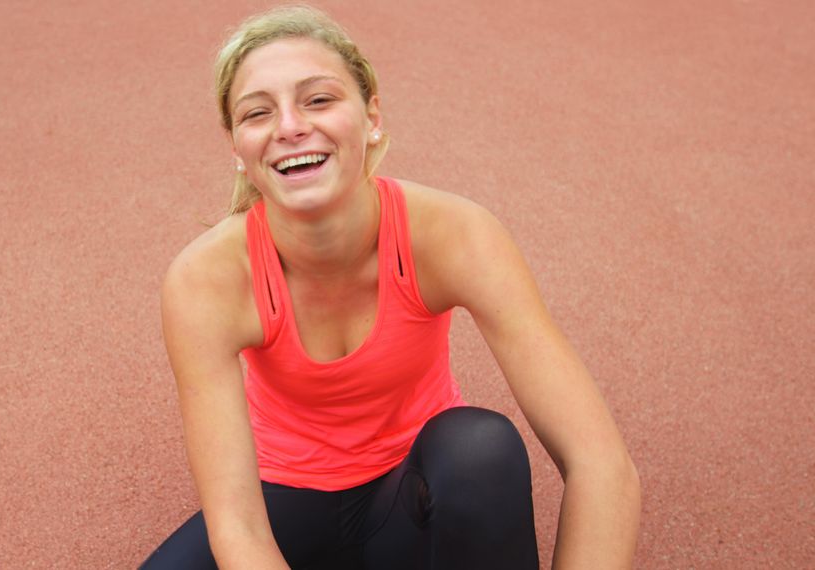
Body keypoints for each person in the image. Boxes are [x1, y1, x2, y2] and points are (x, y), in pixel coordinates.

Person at [142, 5, 640, 569]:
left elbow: (601, 464)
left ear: (371, 113)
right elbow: (238, 527)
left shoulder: (455, 236)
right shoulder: (204, 281)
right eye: (258, 113)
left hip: (412, 500)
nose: (289, 127)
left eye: (319, 100)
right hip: (285, 508)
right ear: (236, 148)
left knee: (481, 448)